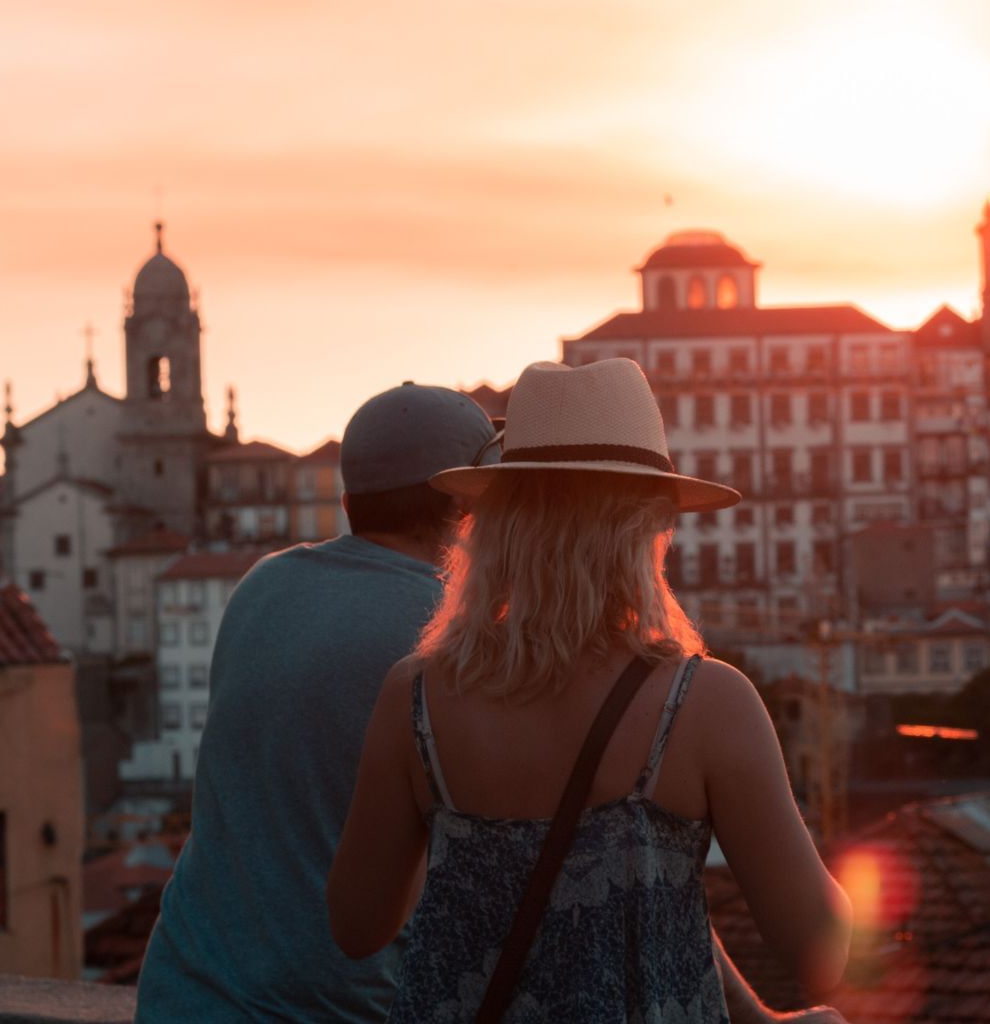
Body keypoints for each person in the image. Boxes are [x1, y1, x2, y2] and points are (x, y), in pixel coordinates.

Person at [139, 380, 823, 1023]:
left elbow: (355, 912)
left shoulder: (264, 590)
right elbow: (632, 862)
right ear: (466, 509)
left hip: (186, 992)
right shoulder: (458, 652)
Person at [328, 359, 852, 1022]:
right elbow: (820, 954)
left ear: (493, 524)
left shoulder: (416, 696)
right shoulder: (707, 705)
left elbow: (357, 928)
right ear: (646, 528)